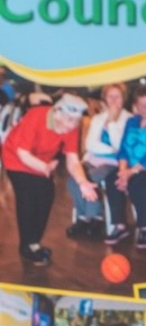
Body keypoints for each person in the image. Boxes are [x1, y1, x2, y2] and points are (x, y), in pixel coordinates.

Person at [1, 93, 96, 265]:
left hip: (41, 162)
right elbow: (23, 154)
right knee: (27, 198)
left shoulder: (71, 127)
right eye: (69, 120)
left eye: (76, 121)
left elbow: (73, 161)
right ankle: (26, 246)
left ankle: (34, 244)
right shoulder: (36, 116)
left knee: (46, 195)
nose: (72, 125)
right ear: (57, 113)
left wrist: (83, 182)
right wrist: (44, 167)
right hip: (15, 158)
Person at [67, 83, 130, 241]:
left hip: (114, 163)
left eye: (118, 96)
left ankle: (96, 218)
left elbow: (120, 146)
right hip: (93, 158)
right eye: (110, 96)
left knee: (91, 178)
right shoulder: (98, 118)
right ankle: (83, 217)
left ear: (124, 99)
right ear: (105, 99)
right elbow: (90, 144)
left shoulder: (129, 119)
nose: (114, 100)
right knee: (73, 179)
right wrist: (110, 149)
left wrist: (113, 123)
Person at [109, 88, 146, 250]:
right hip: (129, 168)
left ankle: (145, 228)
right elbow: (123, 149)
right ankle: (120, 225)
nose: (145, 109)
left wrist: (130, 172)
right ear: (136, 105)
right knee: (111, 178)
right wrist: (122, 172)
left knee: (137, 182)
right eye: (141, 105)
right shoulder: (131, 122)